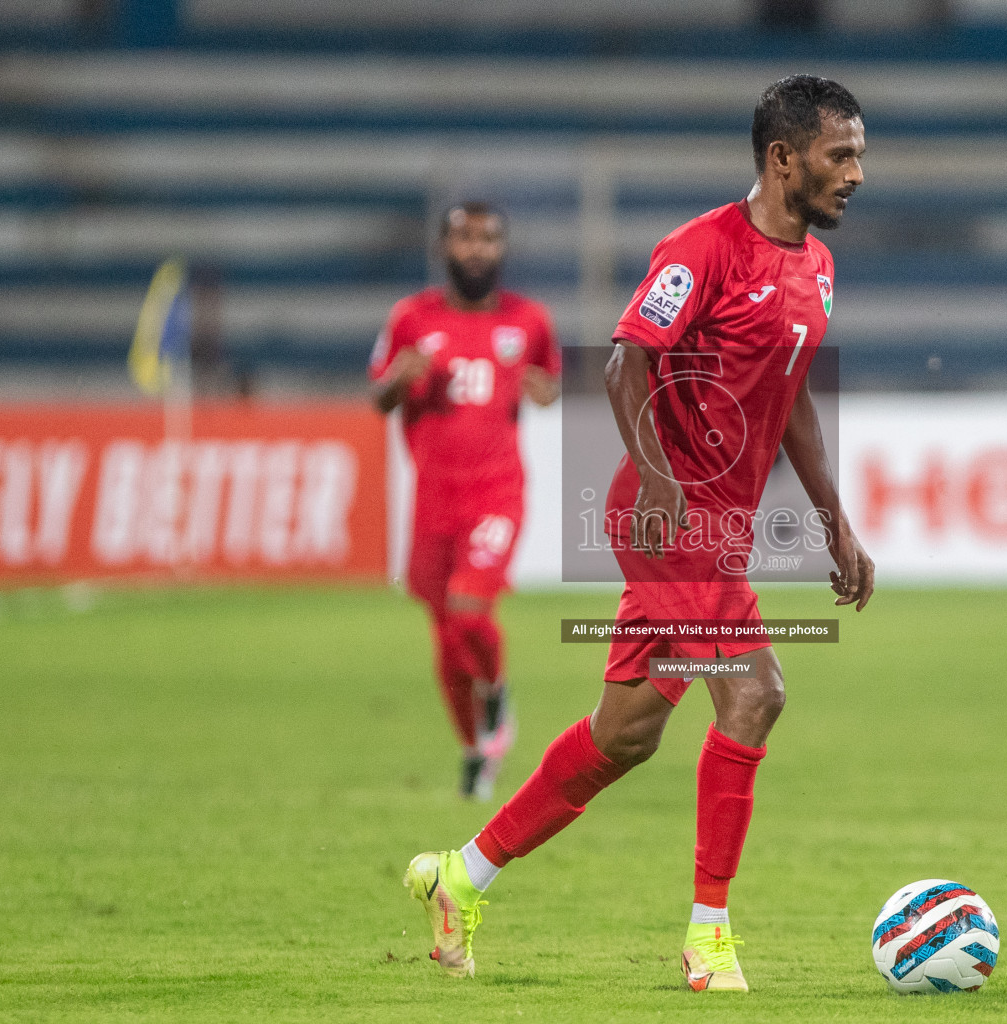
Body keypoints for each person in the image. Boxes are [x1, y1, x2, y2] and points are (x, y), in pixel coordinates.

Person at [404, 75, 874, 992]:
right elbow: (629, 359)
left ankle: (461, 875)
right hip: (667, 518)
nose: (857, 172)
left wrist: (834, 522)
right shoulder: (702, 250)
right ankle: (708, 941)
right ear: (784, 160)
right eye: (840, 154)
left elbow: (794, 400)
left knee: (624, 735)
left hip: (720, 530)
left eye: (859, 153)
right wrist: (660, 475)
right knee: (755, 694)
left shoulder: (816, 269)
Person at [370, 202, 561, 801]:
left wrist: (543, 388)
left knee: (469, 608)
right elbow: (379, 396)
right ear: (445, 247)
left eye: (488, 238)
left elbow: (550, 385)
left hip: (497, 493)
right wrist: (402, 376)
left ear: (502, 249)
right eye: (464, 237)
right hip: (432, 499)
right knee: (447, 637)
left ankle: (498, 691)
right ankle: (474, 748)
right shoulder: (410, 319)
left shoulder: (529, 320)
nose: (476, 248)